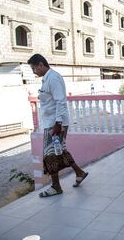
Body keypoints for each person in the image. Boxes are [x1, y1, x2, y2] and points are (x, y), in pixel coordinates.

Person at [27, 54, 88, 197]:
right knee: (59, 150)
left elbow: (61, 101)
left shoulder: (53, 78)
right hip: (52, 123)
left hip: (55, 125)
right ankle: (79, 173)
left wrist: (58, 124)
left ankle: (56, 187)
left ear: (41, 65)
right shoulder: (47, 78)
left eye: (34, 68)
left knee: (50, 155)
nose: (34, 71)